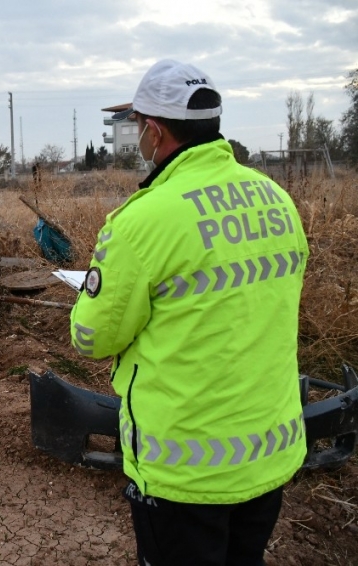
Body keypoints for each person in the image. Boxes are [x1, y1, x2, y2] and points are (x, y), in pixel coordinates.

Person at [69, 59, 308, 566]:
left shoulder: (143, 220)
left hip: (184, 473)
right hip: (269, 453)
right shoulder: (278, 201)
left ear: (154, 131)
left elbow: (91, 337)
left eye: (137, 127)